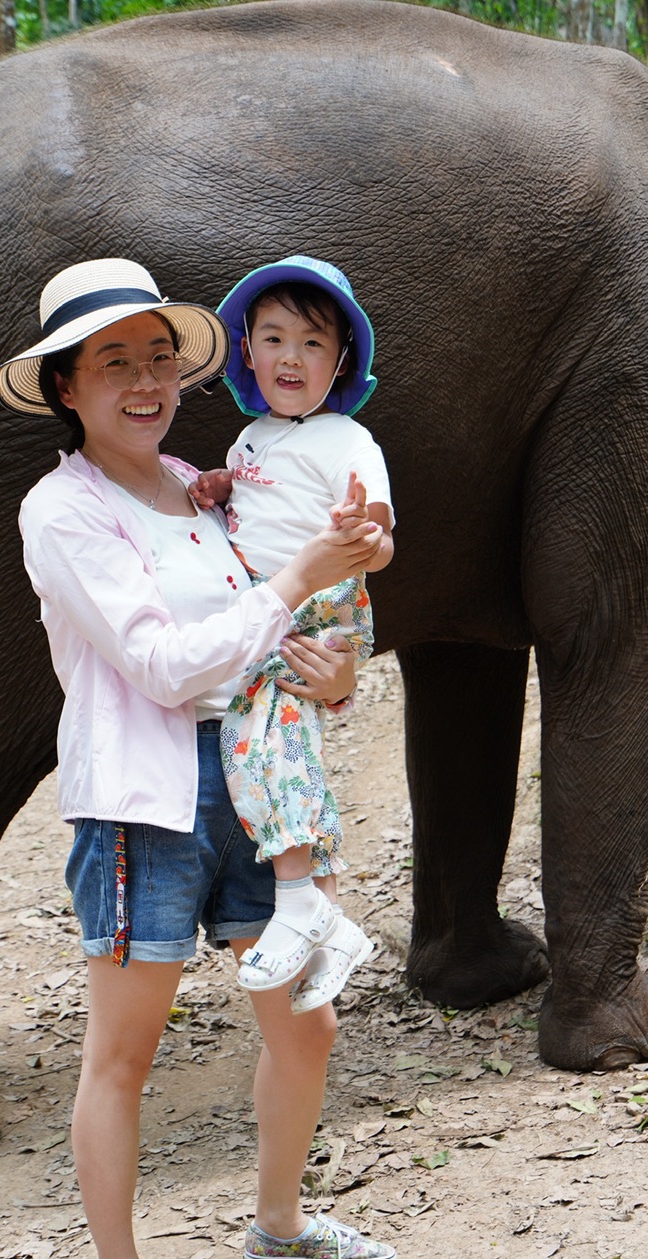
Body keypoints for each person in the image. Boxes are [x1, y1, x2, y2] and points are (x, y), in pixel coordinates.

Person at [0, 257, 399, 1259]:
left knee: (309, 1027)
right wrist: (309, 570)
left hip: (259, 778)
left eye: (159, 360)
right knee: (124, 1056)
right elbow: (168, 666)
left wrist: (335, 671)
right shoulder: (63, 511)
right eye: (114, 362)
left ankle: (279, 1226)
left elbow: (269, 636)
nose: (145, 382)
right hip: (148, 800)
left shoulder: (203, 483)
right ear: (65, 386)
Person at [185, 256, 394, 1009]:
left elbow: (379, 530)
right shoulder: (250, 440)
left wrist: (364, 536)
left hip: (313, 612)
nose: (291, 358)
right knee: (268, 750)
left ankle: (305, 898)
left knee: (260, 744)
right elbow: (249, 501)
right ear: (248, 352)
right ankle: (319, 913)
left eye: (312, 343)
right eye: (273, 339)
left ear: (340, 359)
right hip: (268, 613)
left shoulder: (347, 440)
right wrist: (217, 485)